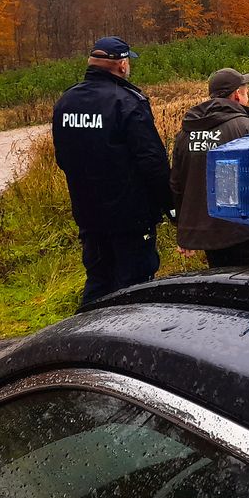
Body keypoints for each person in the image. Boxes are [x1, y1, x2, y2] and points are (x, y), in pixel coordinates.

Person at [53, 36, 173, 304]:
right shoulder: (127, 102)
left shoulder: (66, 102)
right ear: (121, 64)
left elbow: (62, 158)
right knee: (134, 289)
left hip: (88, 215)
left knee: (98, 282)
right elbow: (152, 161)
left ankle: (85, 340)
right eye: (127, 61)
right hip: (130, 216)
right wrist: (170, 204)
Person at [170, 68, 249, 267]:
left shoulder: (186, 133)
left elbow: (178, 186)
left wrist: (184, 229)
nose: (248, 97)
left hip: (211, 238)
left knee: (227, 289)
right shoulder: (247, 127)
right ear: (237, 95)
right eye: (246, 92)